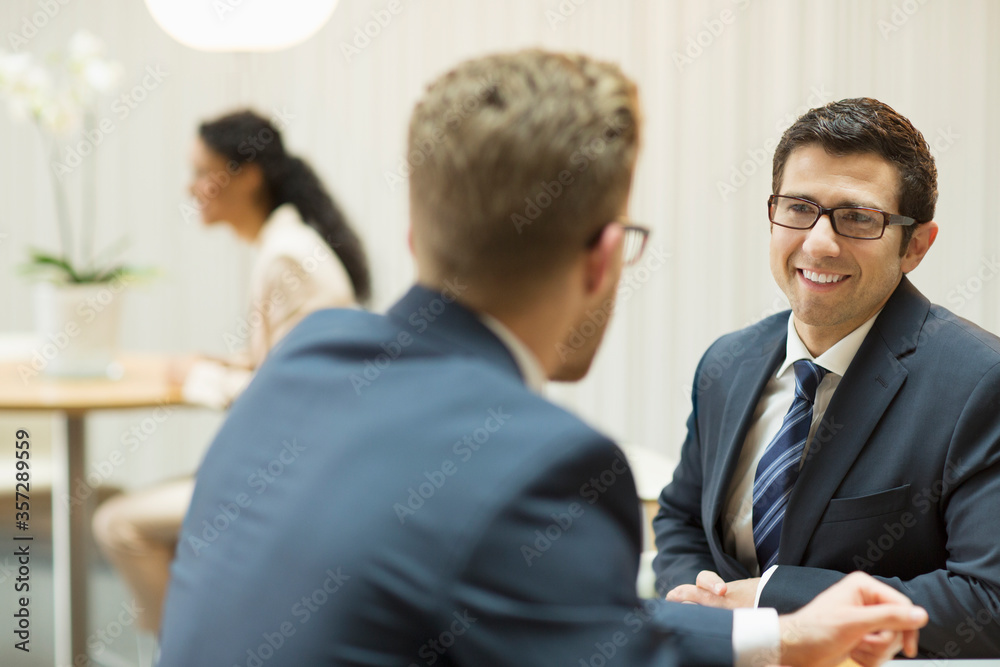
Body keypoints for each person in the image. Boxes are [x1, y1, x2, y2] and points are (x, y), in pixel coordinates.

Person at [158, 53, 927, 667]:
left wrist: (778, 637)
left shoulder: (303, 359)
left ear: (417, 239)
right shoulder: (542, 465)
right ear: (603, 257)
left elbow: (579, 625)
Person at [653, 97, 1000, 659]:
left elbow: (988, 601)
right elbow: (681, 517)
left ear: (915, 245)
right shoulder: (728, 362)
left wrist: (766, 599)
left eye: (858, 217)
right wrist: (696, 598)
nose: (818, 243)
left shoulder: (982, 381)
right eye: (798, 208)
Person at [92, 109, 371, 634]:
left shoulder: (287, 258)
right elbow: (287, 364)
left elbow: (289, 396)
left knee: (117, 524)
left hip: (294, 479)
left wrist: (196, 380)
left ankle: (188, 651)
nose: (191, 188)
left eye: (202, 172)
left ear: (248, 176)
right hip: (302, 466)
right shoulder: (286, 246)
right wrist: (226, 363)